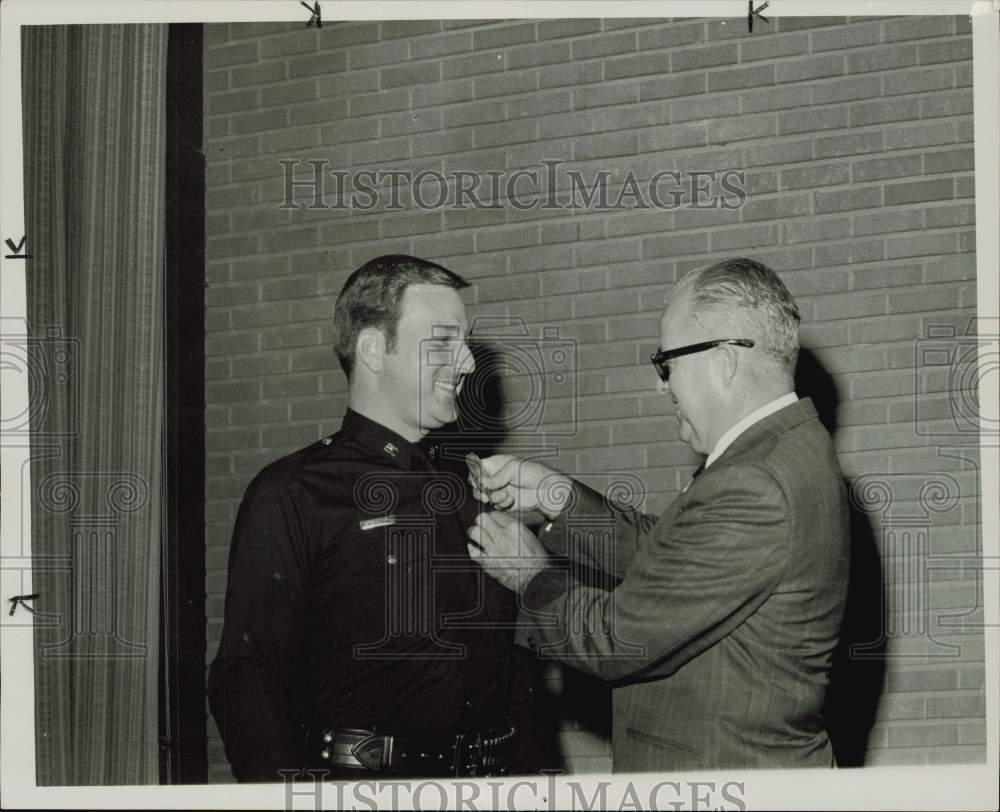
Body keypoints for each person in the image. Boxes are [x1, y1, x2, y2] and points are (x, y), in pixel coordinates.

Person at [467, 257, 851, 771]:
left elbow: (614, 639)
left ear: (723, 361)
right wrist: (559, 498)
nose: (661, 385)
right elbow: (677, 558)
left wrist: (531, 574)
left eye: (666, 364)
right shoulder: (785, 451)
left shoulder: (756, 481)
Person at [208, 254, 543, 781]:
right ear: (372, 350)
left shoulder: (473, 493)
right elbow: (247, 680)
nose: (467, 364)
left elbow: (513, 672)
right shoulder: (293, 493)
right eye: (442, 342)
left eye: (465, 343)